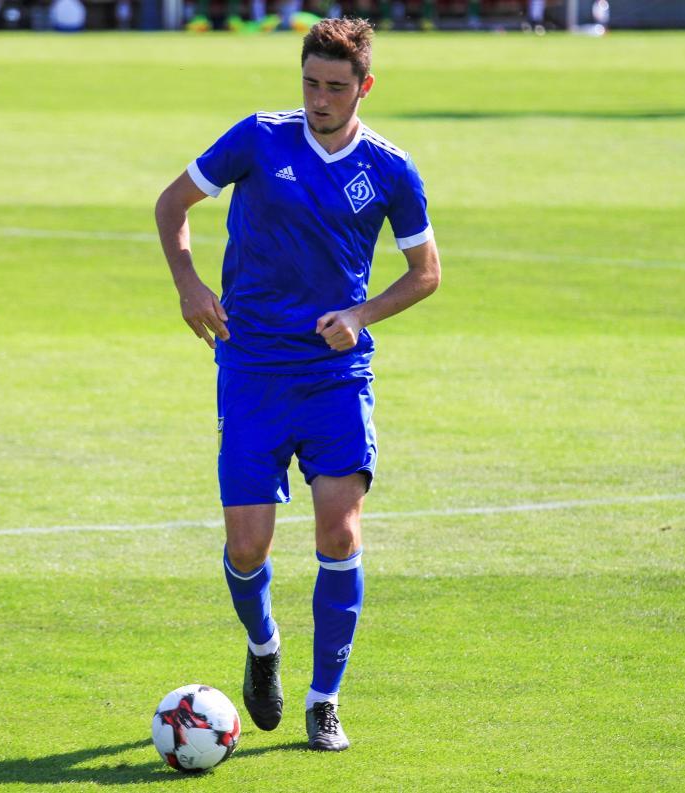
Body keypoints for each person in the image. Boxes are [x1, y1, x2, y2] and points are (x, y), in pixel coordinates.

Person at [154, 17, 440, 752]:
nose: (319, 99)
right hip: (251, 369)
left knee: (340, 532)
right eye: (310, 82)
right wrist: (189, 285)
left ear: (364, 87)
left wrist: (361, 314)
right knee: (248, 547)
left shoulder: (391, 169)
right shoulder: (258, 137)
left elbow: (426, 273)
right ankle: (264, 645)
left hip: (334, 376)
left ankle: (324, 700)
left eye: (335, 87)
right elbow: (171, 204)